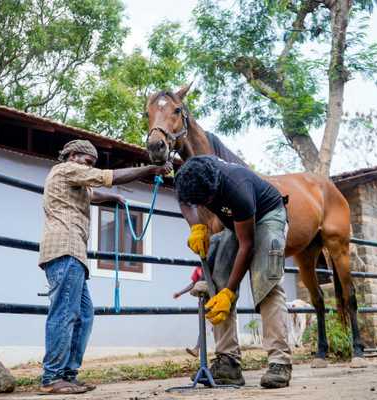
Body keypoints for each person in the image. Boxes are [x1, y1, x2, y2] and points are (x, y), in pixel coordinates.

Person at [38, 139, 172, 394]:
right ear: (73, 156)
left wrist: (115, 197)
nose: (88, 168)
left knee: (84, 316)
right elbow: (104, 177)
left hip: (74, 253)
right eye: (87, 163)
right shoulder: (65, 169)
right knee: (64, 314)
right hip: (64, 249)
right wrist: (150, 169)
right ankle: (52, 377)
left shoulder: (74, 180)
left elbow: (93, 193)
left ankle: (67, 373)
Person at [175, 155, 291, 389]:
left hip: (268, 216)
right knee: (215, 283)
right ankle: (228, 363)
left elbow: (246, 244)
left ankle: (280, 362)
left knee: (266, 283)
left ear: (215, 189)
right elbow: (184, 200)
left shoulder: (237, 189)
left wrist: (230, 291)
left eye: (205, 202)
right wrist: (196, 225)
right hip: (234, 222)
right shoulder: (187, 176)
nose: (203, 206)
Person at [173, 266, 204, 357]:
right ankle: (197, 348)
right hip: (204, 300)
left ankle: (197, 348)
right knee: (205, 325)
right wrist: (180, 293)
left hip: (215, 296)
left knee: (211, 326)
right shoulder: (198, 267)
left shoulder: (212, 261)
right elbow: (193, 283)